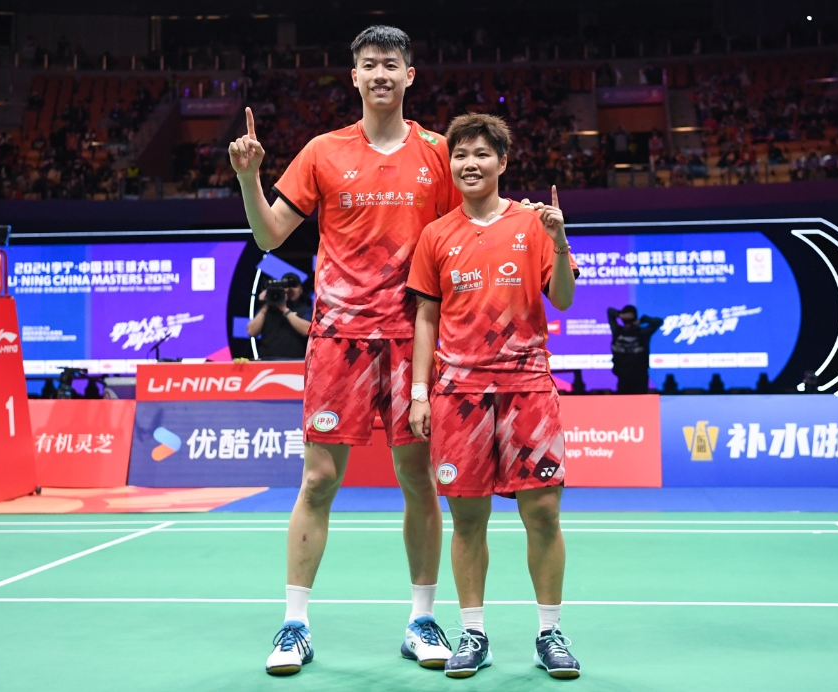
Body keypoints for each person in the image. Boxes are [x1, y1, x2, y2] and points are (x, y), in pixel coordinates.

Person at [228, 25, 461, 676]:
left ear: (409, 76)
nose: (380, 73)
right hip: (338, 339)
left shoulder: (438, 153)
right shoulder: (323, 152)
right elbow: (270, 235)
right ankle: (294, 625)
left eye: (391, 64)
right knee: (318, 480)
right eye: (369, 64)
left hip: (412, 338)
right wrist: (249, 179)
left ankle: (421, 619)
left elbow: (463, 233)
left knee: (417, 480)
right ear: (353, 76)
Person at [406, 113, 581, 680]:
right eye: (460, 155)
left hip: (527, 386)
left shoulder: (533, 224)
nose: (470, 164)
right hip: (459, 394)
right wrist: (419, 391)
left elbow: (563, 299)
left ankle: (550, 633)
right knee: (467, 518)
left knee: (543, 513)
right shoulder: (436, 235)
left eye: (482, 154)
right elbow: (426, 317)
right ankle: (473, 633)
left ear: (503, 162)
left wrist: (559, 241)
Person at [247, 272, 313, 360]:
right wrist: (266, 304)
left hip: (296, 362)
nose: (290, 289)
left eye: (294, 286)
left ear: (301, 290)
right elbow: (251, 332)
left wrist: (284, 309)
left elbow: (307, 330)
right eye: (286, 286)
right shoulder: (267, 309)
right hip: (268, 361)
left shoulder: (306, 309)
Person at [607, 306, 662, 394]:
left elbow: (659, 321)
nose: (628, 319)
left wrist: (643, 320)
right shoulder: (617, 331)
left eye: (631, 316)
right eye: (626, 316)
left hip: (640, 378)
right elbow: (610, 311)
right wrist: (620, 314)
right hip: (622, 377)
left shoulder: (642, 333)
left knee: (639, 402)